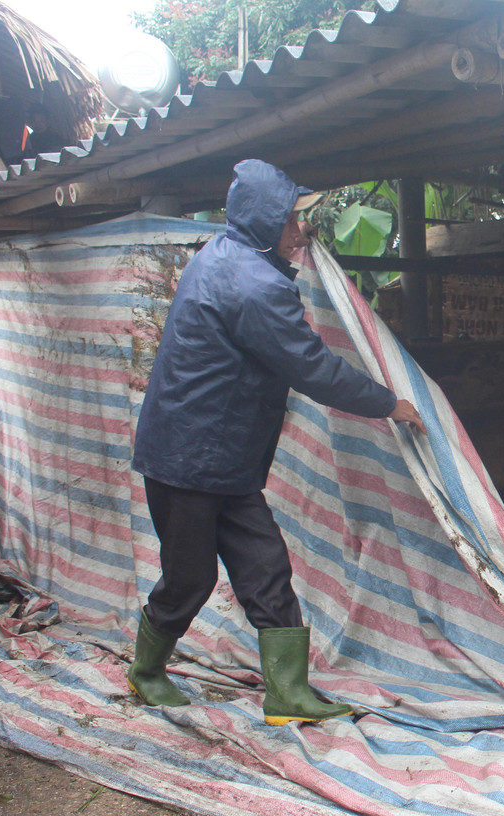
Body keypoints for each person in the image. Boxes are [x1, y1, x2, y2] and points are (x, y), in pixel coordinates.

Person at [129, 159, 425, 725]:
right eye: (294, 221)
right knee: (190, 577)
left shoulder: (223, 256)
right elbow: (312, 368)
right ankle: (145, 672)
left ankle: (287, 695)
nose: (302, 232)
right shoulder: (254, 285)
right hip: (188, 459)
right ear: (265, 221)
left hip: (222, 458)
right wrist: (389, 402)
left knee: (265, 566)